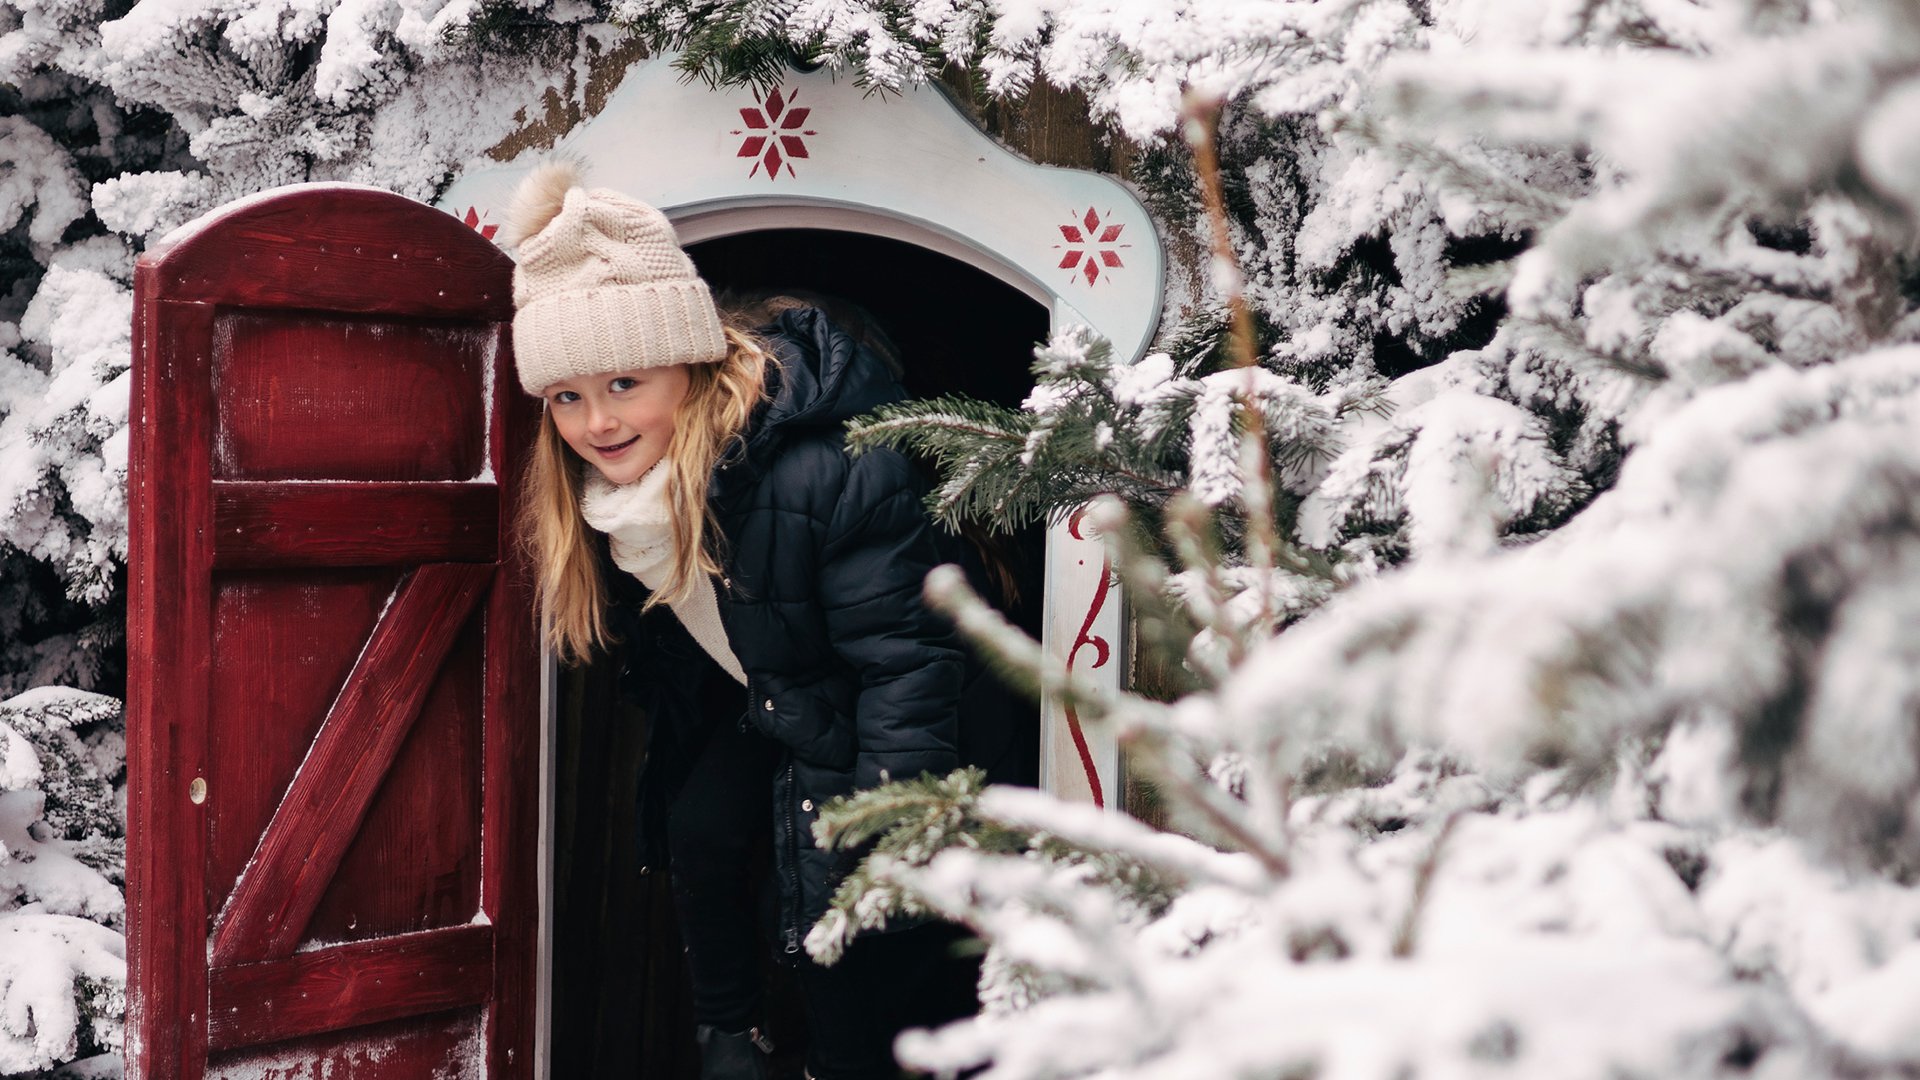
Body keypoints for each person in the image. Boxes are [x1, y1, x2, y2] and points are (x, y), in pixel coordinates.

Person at [504, 160, 973, 1080]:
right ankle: (731, 1038)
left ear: (687, 360)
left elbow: (908, 661)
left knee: (845, 940)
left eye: (624, 382)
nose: (596, 421)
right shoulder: (617, 496)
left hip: (896, 718)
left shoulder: (817, 468)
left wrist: (895, 831)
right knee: (702, 830)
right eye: (567, 395)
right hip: (784, 694)